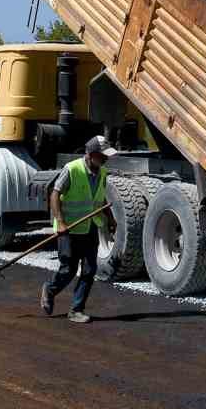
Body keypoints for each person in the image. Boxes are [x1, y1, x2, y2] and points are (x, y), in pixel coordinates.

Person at [40, 137, 116, 324]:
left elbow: (99, 197)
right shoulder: (72, 169)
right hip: (69, 230)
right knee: (68, 269)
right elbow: (55, 194)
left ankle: (76, 310)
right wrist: (61, 222)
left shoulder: (103, 172)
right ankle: (50, 289)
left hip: (90, 226)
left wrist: (110, 218)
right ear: (91, 155)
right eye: (103, 156)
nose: (106, 160)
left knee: (90, 270)